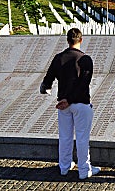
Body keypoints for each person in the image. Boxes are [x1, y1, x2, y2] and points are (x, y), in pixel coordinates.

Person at [40, 28, 100, 180]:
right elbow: (83, 83)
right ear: (81, 40)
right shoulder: (85, 59)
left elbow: (48, 79)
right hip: (80, 103)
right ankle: (84, 170)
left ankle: (64, 167)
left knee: (65, 137)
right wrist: (71, 100)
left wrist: (58, 95)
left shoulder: (59, 58)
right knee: (82, 138)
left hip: (63, 104)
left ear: (67, 40)